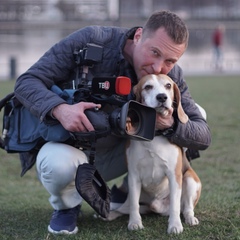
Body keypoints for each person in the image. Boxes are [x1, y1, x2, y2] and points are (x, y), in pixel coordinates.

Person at [14, 10, 211, 235]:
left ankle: (135, 193)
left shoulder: (169, 76)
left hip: (121, 151)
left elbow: (203, 133)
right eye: (154, 52)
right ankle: (67, 206)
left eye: (169, 60)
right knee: (57, 164)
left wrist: (170, 125)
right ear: (138, 37)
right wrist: (61, 110)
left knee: (196, 116)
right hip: (73, 150)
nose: (158, 67)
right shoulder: (91, 40)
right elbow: (26, 82)